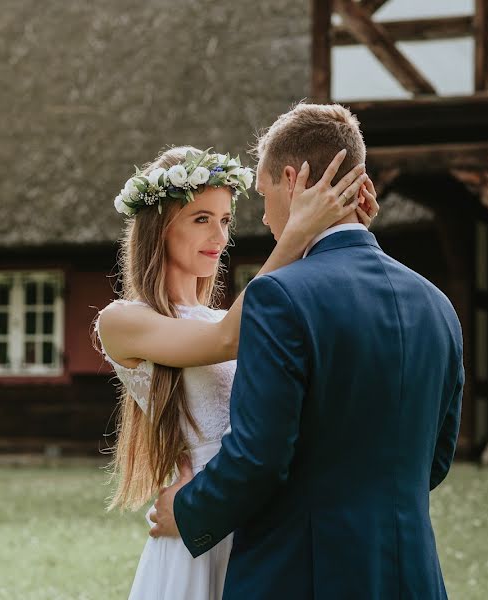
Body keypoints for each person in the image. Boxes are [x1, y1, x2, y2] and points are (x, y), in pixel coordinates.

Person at [148, 103, 465, 599]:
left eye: (265, 193)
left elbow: (259, 457)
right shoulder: (438, 304)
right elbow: (436, 460)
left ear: (292, 181)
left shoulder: (280, 297)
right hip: (413, 576)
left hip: (302, 575)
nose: (266, 215)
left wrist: (187, 511)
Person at [94, 141, 378, 599]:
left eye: (225, 220)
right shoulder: (123, 320)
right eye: (201, 219)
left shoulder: (223, 316)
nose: (220, 238)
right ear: (160, 227)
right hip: (200, 521)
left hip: (255, 514)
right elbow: (226, 339)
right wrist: (298, 235)